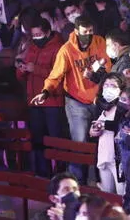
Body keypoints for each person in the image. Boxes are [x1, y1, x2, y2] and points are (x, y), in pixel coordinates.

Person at [37, 16, 110, 182]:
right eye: (85, 32)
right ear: (76, 32)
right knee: (80, 143)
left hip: (99, 99)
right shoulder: (66, 50)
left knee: (102, 141)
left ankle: (99, 182)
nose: (89, 35)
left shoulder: (99, 42)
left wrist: (96, 75)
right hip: (76, 101)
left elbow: (106, 65)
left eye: (91, 31)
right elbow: (55, 76)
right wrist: (45, 91)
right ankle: (77, 183)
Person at [16, 17, 65, 177]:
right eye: (34, 34)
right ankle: (43, 173)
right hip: (34, 102)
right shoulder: (31, 48)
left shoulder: (59, 48)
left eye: (39, 34)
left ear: (47, 32)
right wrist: (22, 69)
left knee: (55, 139)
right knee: (38, 138)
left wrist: (35, 68)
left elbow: (59, 75)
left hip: (52, 100)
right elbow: (21, 76)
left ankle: (61, 173)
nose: (36, 37)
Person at [89, 73, 125, 194]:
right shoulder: (100, 106)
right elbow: (93, 129)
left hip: (118, 159)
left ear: (121, 89)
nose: (109, 88)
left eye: (113, 86)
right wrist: (93, 130)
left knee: (121, 195)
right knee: (107, 195)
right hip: (103, 156)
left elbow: (122, 127)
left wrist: (105, 126)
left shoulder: (124, 107)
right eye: (106, 85)